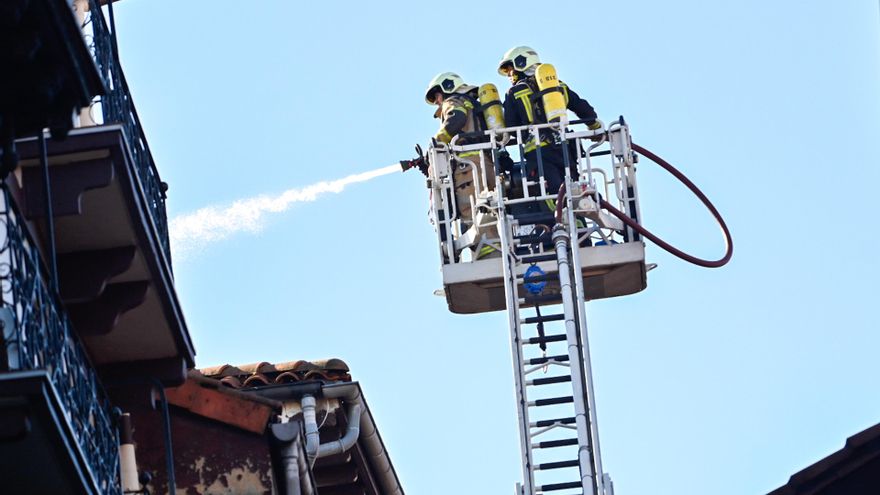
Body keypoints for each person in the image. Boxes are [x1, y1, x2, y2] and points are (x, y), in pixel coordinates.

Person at [497, 46, 602, 195]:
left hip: (539, 154)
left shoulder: (513, 92)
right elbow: (585, 109)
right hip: (565, 150)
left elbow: (511, 127)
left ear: (521, 64)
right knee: (575, 194)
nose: (509, 75)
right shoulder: (558, 86)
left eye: (510, 70)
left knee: (554, 197)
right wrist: (595, 128)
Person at [424, 72, 498, 259]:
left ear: (446, 89)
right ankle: (495, 247)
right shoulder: (473, 103)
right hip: (487, 163)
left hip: (468, 166)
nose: (439, 102)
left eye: (438, 96)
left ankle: (486, 252)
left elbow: (456, 118)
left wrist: (436, 141)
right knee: (490, 207)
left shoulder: (453, 102)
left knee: (470, 208)